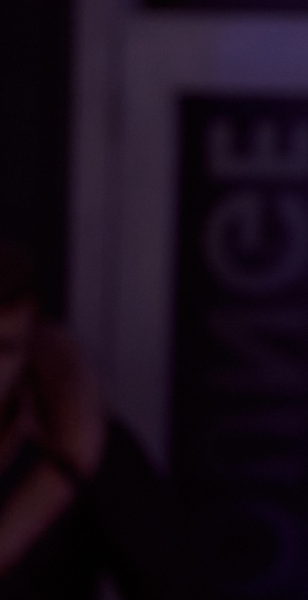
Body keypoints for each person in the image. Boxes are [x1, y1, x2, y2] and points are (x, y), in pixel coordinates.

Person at [0, 244, 189, 599]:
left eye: (3, 348)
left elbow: (174, 583)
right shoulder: (76, 441)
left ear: (32, 350)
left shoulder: (94, 446)